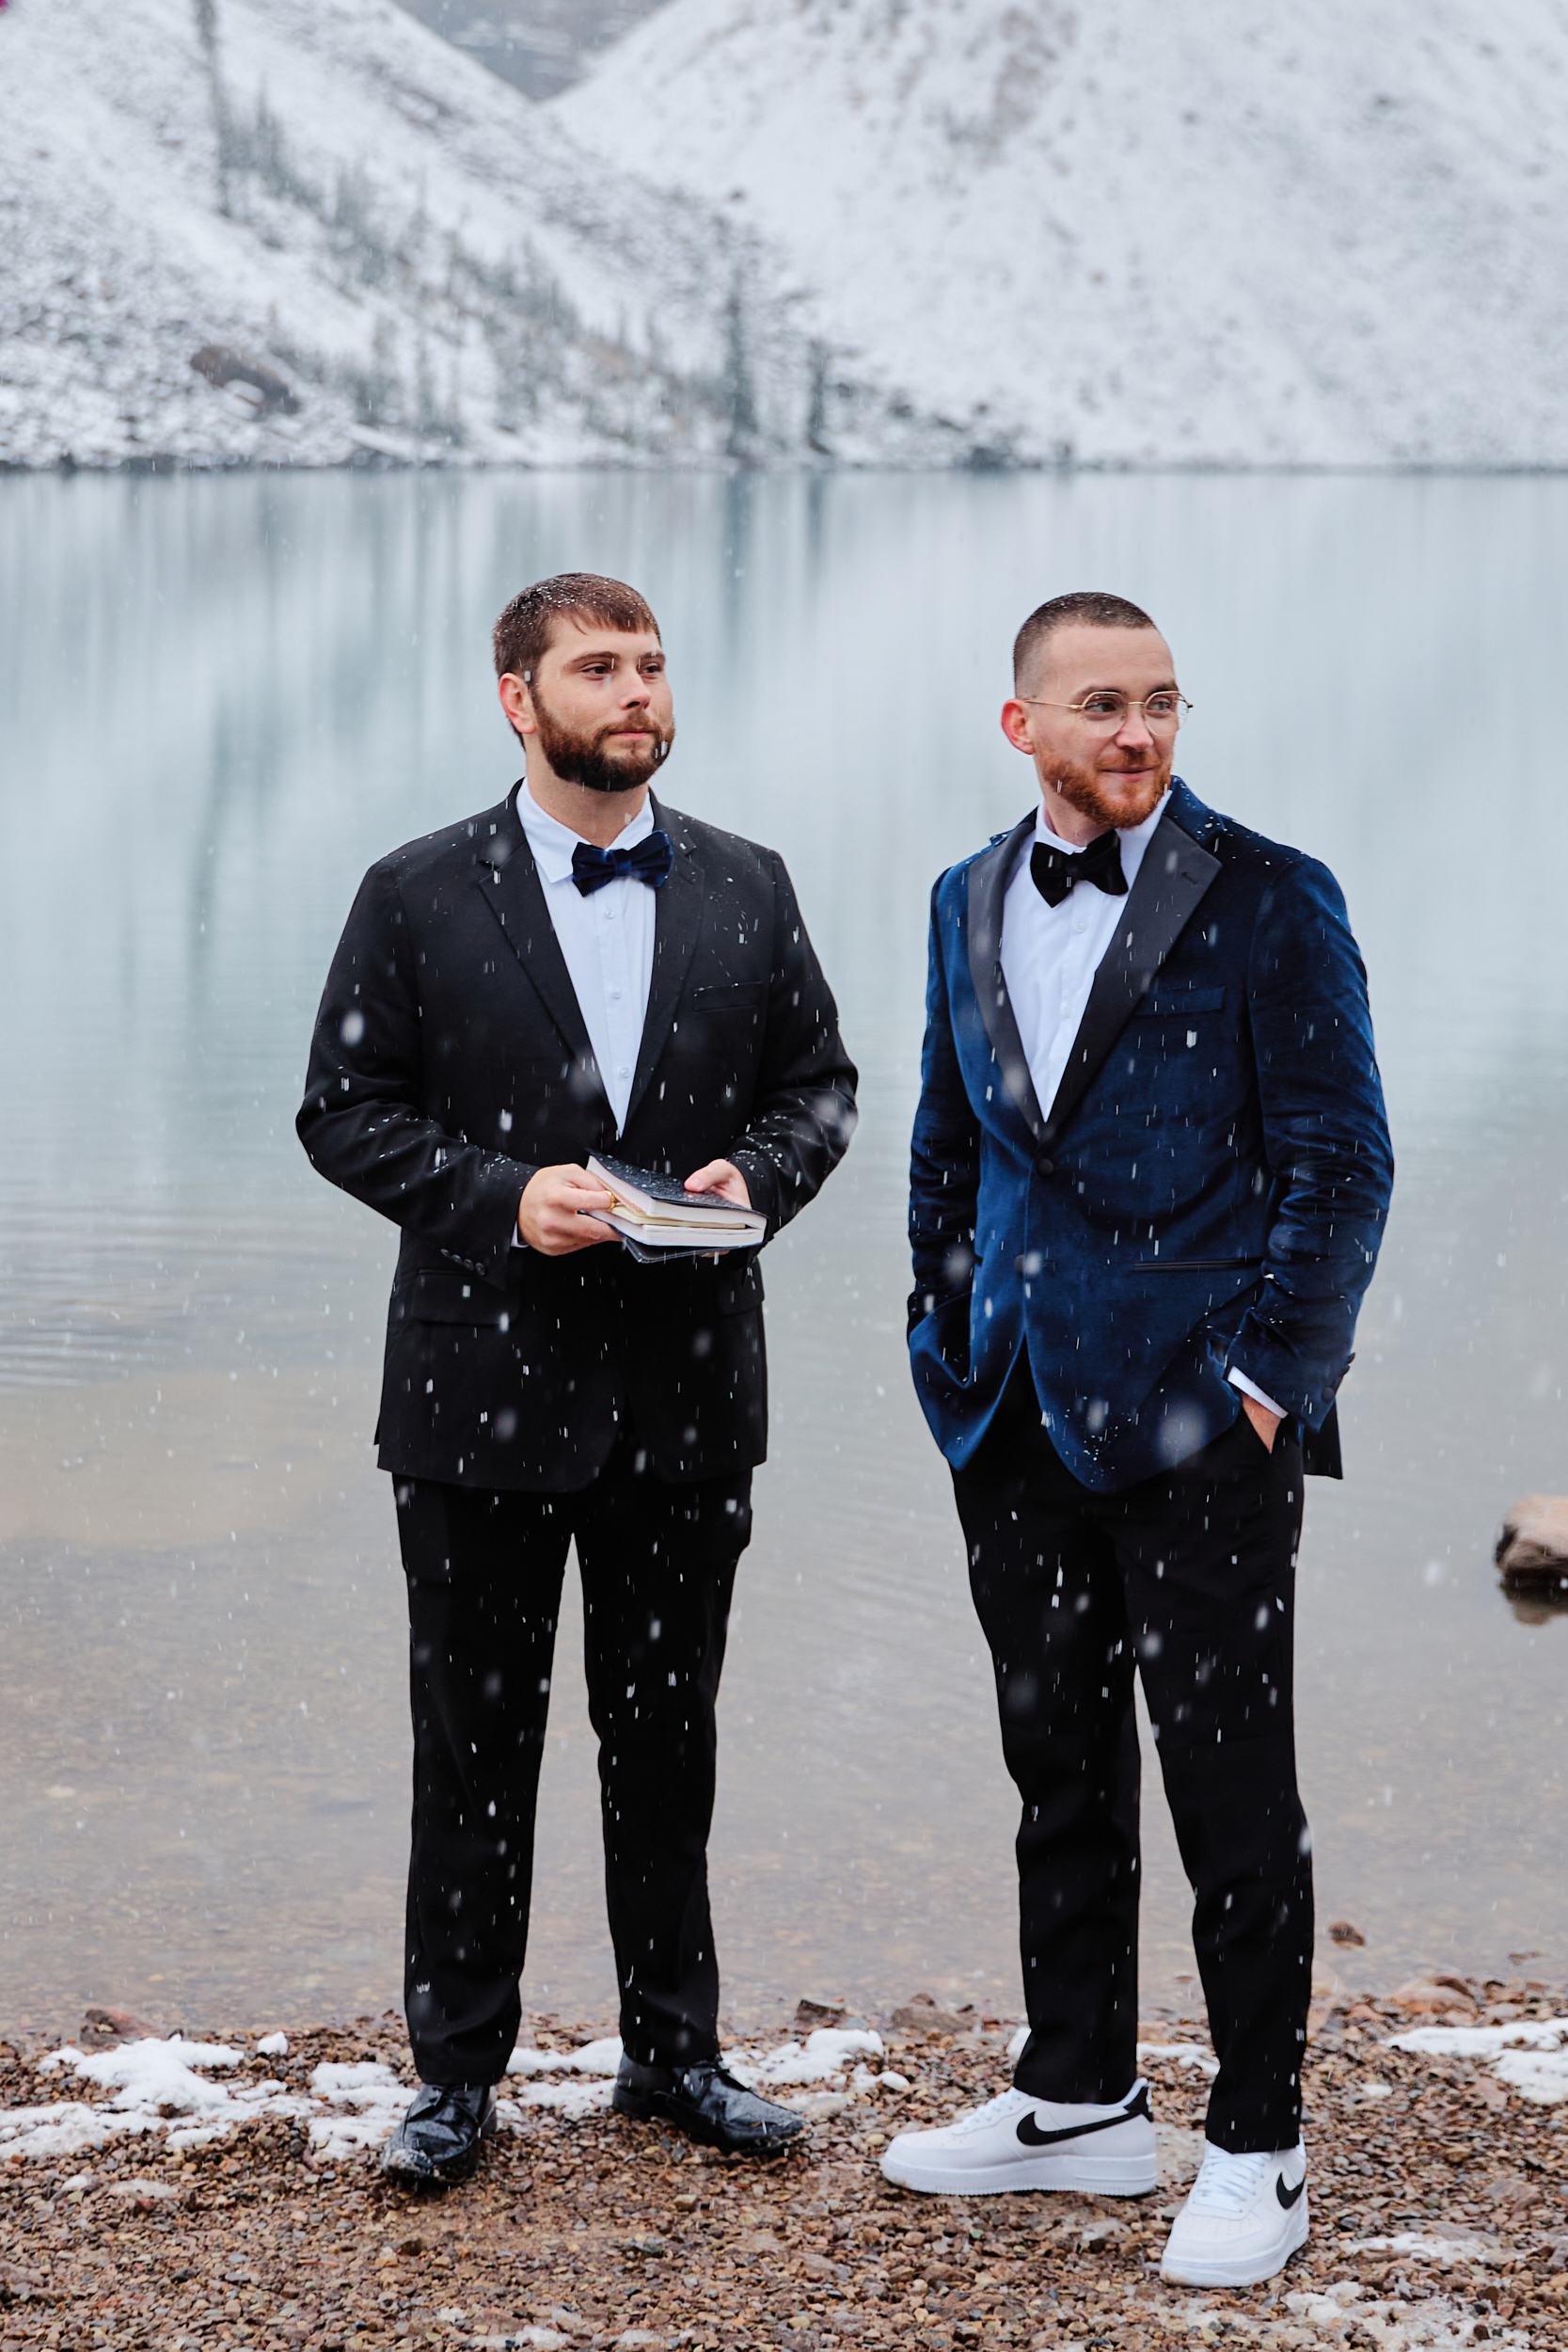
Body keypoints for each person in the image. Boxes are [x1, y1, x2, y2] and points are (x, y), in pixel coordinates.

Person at [297, 573, 857, 2184]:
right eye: (598, 667)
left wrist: (759, 1176)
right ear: (516, 697)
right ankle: (456, 2079)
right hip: (476, 1396)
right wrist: (500, 1199)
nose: (636, 691)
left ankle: (673, 2058)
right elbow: (344, 1112)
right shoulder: (411, 893)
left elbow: (820, 1087)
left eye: (653, 665)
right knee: (473, 1743)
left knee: (666, 1738)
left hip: (689, 1396)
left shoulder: (752, 883)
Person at [883, 591, 1392, 2287]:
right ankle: (1082, 2096)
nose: (1141, 733)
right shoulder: (965, 894)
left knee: (1233, 1794)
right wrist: (939, 1334)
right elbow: (952, 1147)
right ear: (1021, 723)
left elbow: (1343, 1166)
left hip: (1204, 1427)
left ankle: (1260, 2144)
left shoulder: (1268, 895)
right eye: (1102, 704)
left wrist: (1267, 1383)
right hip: (1012, 1406)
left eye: (1163, 701)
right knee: (1058, 1768)